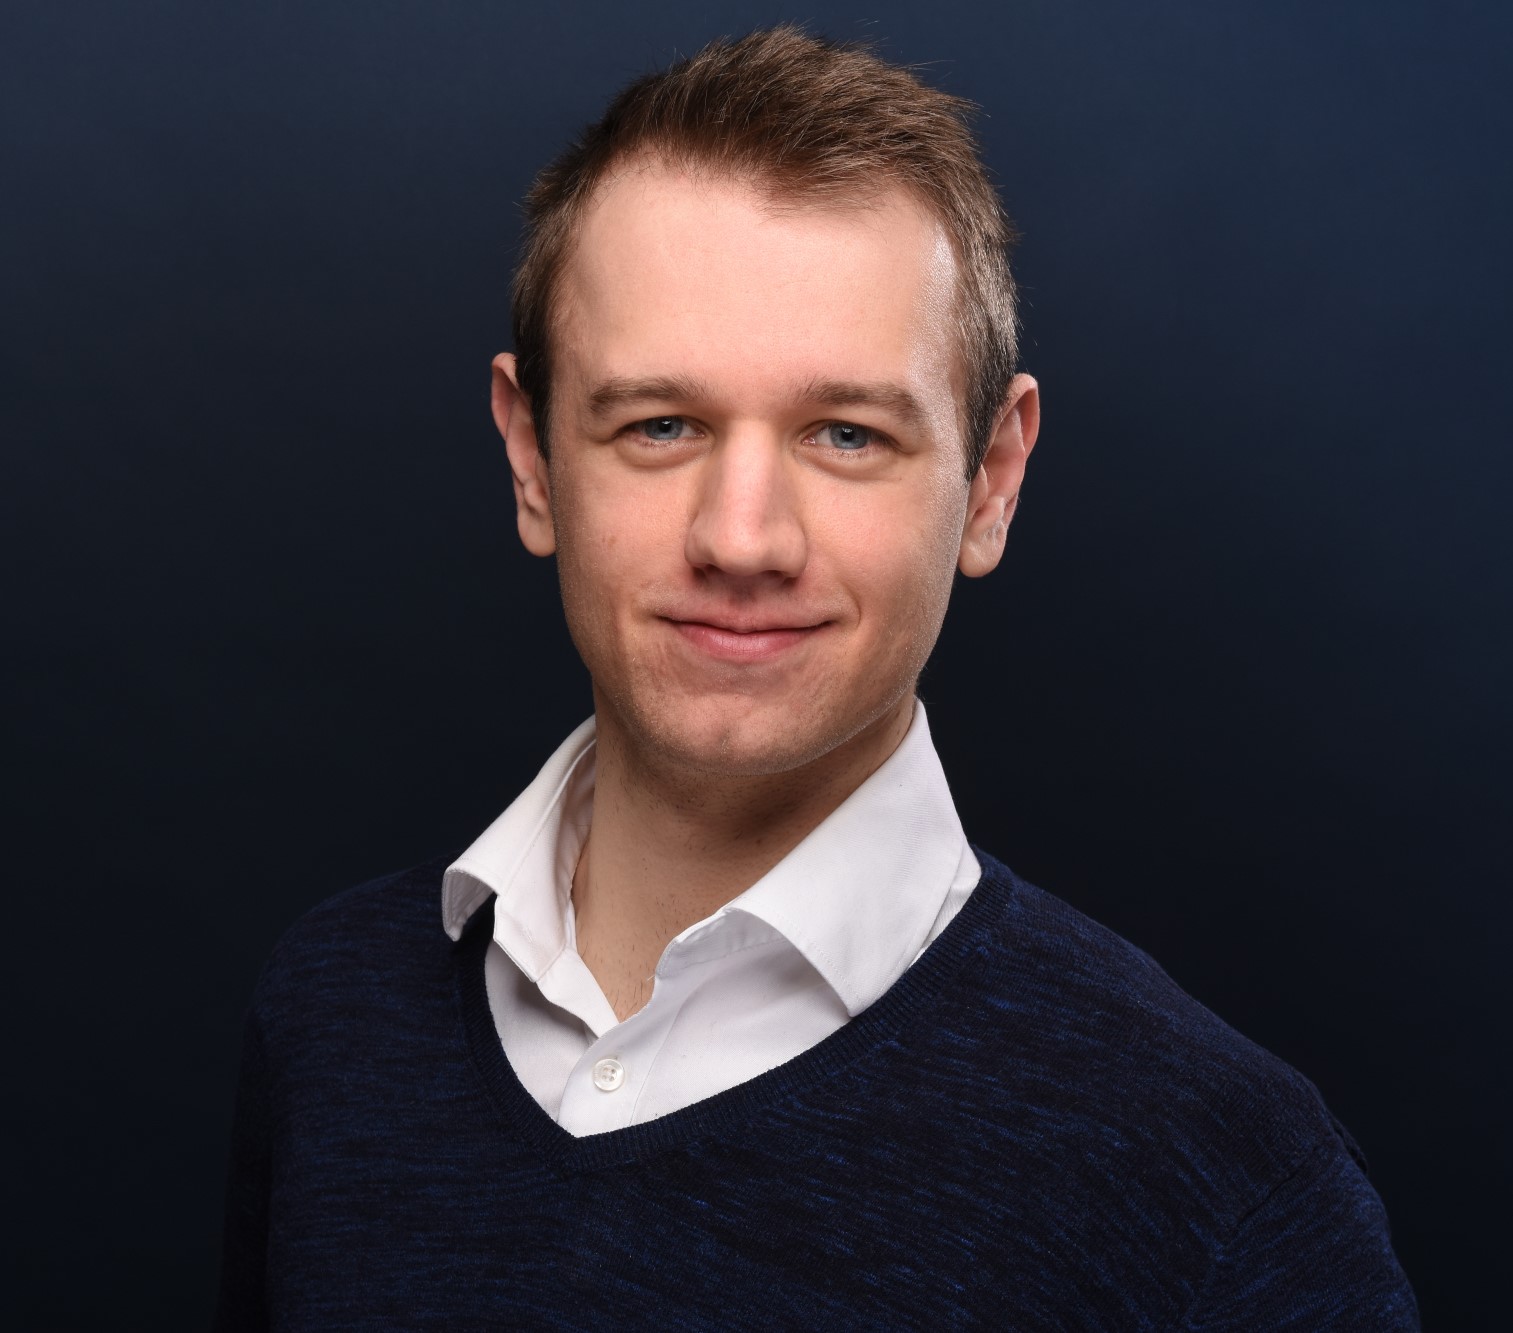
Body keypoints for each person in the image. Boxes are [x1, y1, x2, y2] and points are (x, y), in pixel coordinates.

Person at [214, 26, 1418, 1329]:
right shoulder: (334, 1015)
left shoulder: (1224, 1182)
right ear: (531, 457)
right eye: (659, 425)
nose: (742, 539)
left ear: (991, 481)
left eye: (846, 434)